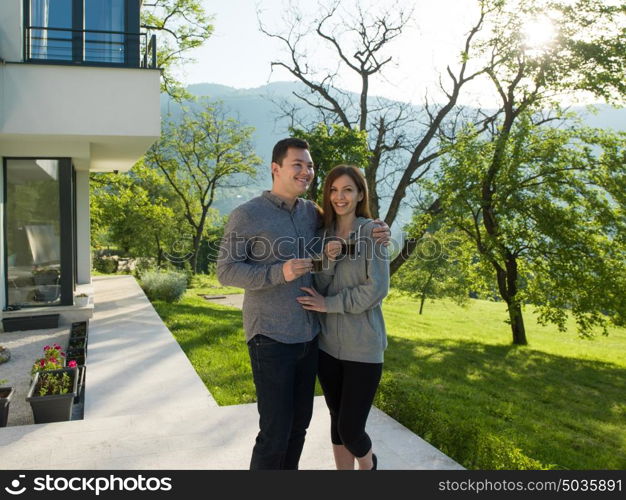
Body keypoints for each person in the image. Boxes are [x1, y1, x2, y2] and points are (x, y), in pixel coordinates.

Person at [217, 139, 390, 470]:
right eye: (298, 164)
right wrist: (278, 272)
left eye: (309, 166)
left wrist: (378, 229)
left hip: (311, 338)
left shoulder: (313, 214)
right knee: (275, 433)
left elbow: (349, 228)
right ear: (275, 168)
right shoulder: (248, 214)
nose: (306, 171)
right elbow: (225, 271)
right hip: (270, 337)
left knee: (299, 428)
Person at [296, 165, 389, 470]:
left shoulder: (372, 232)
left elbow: (375, 290)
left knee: (351, 428)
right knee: (337, 421)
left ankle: (369, 465)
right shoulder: (321, 235)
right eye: (334, 190)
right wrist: (330, 260)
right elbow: (319, 285)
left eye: (347, 189)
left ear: (360, 194)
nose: (340, 197)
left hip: (363, 346)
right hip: (326, 347)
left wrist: (330, 305)